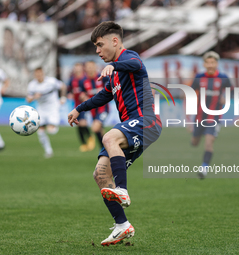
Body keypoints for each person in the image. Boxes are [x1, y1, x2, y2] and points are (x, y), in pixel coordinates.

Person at [67, 21, 162, 246]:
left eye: (100, 45)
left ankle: (122, 190)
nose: (98, 51)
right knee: (100, 175)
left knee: (108, 137)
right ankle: (122, 225)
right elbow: (103, 96)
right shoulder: (114, 75)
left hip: (146, 121)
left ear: (115, 41)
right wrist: (78, 109)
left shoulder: (130, 58)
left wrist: (115, 66)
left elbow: (132, 63)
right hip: (133, 125)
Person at [190, 51, 232, 179]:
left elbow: (232, 93)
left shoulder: (224, 78)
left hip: (214, 117)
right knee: (194, 142)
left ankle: (204, 169)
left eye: (213, 62)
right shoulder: (199, 78)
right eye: (208, 62)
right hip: (199, 117)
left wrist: (226, 98)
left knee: (209, 143)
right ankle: (197, 135)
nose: (210, 65)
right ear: (204, 64)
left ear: (217, 64)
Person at [26, 67, 67, 158]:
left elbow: (63, 86)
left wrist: (63, 98)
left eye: (40, 74)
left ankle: (53, 126)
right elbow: (28, 99)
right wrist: (33, 97)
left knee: (51, 130)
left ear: (43, 73)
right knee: (40, 131)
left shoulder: (51, 82)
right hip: (41, 109)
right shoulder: (32, 85)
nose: (38, 76)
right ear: (35, 75)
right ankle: (48, 151)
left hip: (53, 108)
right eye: (37, 74)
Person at [79, 60, 109, 149]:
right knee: (99, 130)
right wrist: (83, 97)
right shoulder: (83, 81)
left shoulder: (102, 77)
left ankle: (104, 148)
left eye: (91, 66)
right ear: (85, 68)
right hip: (93, 110)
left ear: (95, 67)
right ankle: (105, 148)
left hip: (103, 108)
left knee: (95, 127)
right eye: (88, 67)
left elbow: (111, 86)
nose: (90, 69)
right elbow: (82, 94)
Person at [67, 62, 94, 152]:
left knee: (82, 123)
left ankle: (90, 138)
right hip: (75, 106)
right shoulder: (72, 80)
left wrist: (85, 96)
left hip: (84, 106)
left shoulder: (85, 79)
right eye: (76, 68)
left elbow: (90, 91)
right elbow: (68, 90)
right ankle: (83, 144)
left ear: (82, 69)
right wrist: (69, 95)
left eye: (79, 68)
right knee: (78, 125)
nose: (77, 70)